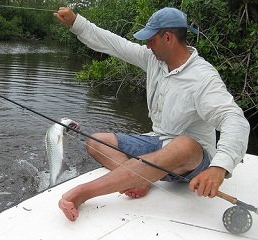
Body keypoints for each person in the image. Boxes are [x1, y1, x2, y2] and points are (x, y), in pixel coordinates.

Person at [53, 6, 250, 221]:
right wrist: (75, 22)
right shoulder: (154, 59)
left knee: (185, 144)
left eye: (151, 39)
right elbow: (114, 44)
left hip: (192, 162)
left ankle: (84, 193)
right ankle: (141, 179)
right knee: (96, 142)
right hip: (158, 141)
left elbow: (235, 120)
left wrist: (219, 167)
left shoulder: (203, 78)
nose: (147, 44)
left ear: (167, 37)